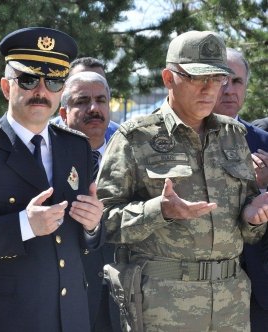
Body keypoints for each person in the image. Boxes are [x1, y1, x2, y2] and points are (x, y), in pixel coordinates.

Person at [97, 30, 268, 331]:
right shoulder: (136, 138)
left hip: (231, 303)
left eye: (216, 78)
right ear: (168, 78)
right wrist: (159, 211)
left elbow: (247, 230)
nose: (208, 88)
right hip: (164, 305)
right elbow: (103, 221)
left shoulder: (234, 137)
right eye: (195, 78)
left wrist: (254, 218)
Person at [0, 27, 104, 332]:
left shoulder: (76, 146)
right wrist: (23, 225)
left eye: (52, 81)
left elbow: (83, 237)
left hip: (69, 314)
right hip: (4, 317)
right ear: (5, 86)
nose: (41, 91)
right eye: (28, 80)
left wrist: (93, 225)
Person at [59, 71, 120, 332]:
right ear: (63, 113)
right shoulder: (49, 158)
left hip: (119, 301)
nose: (94, 108)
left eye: (100, 100)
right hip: (67, 299)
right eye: (82, 101)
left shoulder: (128, 153)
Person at [212, 48, 268, 332]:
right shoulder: (179, 139)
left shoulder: (263, 141)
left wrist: (265, 187)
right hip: (199, 291)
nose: (229, 90)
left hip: (256, 290)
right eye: (221, 81)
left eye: (237, 82)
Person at [52, 57, 119, 143]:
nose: (94, 108)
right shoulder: (45, 139)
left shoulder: (121, 138)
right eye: (79, 79)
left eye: (98, 79)